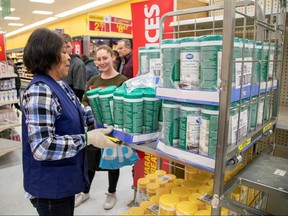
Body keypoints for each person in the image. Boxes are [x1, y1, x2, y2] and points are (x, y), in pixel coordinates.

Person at [21, 28, 118, 216]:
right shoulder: (40, 91)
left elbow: (83, 114)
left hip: (63, 181)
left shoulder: (61, 85)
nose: (69, 57)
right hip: (50, 189)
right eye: (64, 51)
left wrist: (114, 117)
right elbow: (42, 147)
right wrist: (87, 138)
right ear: (49, 55)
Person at [76, 45, 127, 210]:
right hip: (94, 129)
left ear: (113, 57)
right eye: (98, 59)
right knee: (90, 161)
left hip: (113, 131)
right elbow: (85, 100)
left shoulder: (122, 81)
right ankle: (85, 191)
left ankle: (112, 193)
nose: (101, 62)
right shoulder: (93, 81)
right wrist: (87, 108)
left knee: (112, 162)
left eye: (105, 58)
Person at [62, 33, 87, 101]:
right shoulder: (57, 62)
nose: (65, 50)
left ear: (72, 46)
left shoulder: (78, 64)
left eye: (68, 46)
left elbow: (79, 90)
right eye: (63, 47)